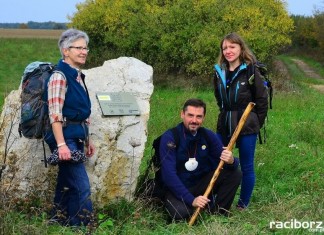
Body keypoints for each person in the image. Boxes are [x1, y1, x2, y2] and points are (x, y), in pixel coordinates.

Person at [159, 98, 242, 221]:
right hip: (176, 187)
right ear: (182, 114)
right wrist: (191, 200)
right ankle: (192, 204)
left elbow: (227, 162)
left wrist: (232, 160)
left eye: (199, 116)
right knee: (181, 214)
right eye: (190, 115)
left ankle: (219, 213)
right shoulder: (170, 137)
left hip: (200, 184)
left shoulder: (208, 135)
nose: (194, 120)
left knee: (234, 174)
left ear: (203, 118)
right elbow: (168, 175)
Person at [44, 28, 95, 226]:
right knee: (82, 186)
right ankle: (82, 226)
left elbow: (82, 113)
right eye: (79, 48)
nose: (84, 52)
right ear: (66, 51)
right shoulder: (59, 76)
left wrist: (88, 141)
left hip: (76, 137)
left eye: (86, 48)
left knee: (66, 182)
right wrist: (62, 145)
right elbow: (55, 115)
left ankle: (58, 219)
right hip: (65, 138)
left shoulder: (77, 76)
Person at [213, 32, 268, 210]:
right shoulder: (219, 72)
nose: (228, 51)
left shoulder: (251, 70)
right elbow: (218, 98)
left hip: (247, 125)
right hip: (224, 123)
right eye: (225, 48)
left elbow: (261, 101)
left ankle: (242, 205)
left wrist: (254, 124)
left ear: (240, 48)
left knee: (246, 166)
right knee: (217, 160)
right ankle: (217, 199)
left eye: (232, 47)